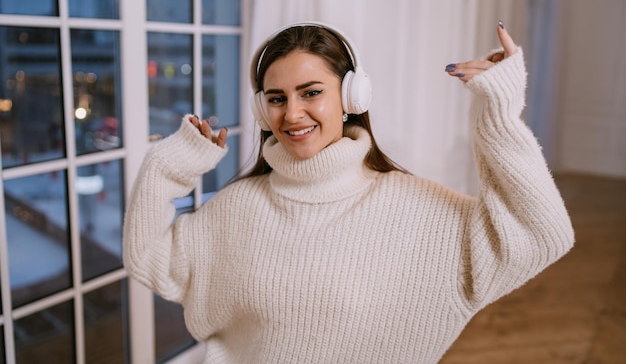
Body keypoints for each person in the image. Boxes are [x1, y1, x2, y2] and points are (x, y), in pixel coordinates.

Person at [124, 21, 575, 363]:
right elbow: (148, 257)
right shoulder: (239, 207)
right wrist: (168, 166)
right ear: (262, 110)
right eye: (277, 98)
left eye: (311, 92)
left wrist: (498, 112)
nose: (293, 113)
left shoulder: (414, 209)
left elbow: (540, 234)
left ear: (352, 98)